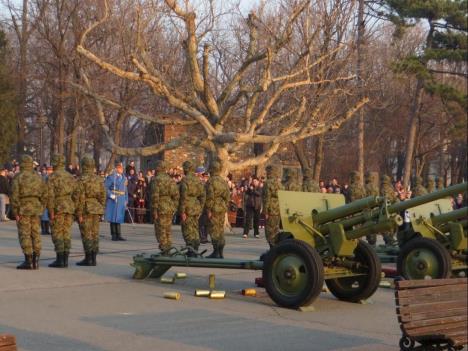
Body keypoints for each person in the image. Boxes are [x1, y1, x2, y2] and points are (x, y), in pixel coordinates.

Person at [10, 155, 48, 269]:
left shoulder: (18, 177)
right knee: (36, 233)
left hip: (23, 208)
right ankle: (36, 260)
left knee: (25, 234)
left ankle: (28, 260)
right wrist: (42, 207)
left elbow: (15, 196)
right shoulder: (38, 177)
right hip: (36, 208)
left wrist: (15, 211)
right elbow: (45, 195)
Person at [46, 154, 78, 268]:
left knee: (57, 233)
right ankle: (65, 259)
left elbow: (49, 196)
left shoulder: (52, 177)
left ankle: (60, 260)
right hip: (69, 207)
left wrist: (50, 211)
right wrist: (74, 207)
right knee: (66, 233)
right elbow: (76, 194)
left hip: (58, 207)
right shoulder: (70, 176)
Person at [75, 156, 106, 266]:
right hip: (96, 208)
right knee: (95, 234)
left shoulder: (81, 179)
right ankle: (94, 258)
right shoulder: (98, 179)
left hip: (85, 208)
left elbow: (80, 197)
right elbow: (103, 195)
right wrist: (101, 208)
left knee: (86, 234)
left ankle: (88, 258)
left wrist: (78, 213)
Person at [150, 160, 179, 253]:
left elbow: (155, 196)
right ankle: (168, 246)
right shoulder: (171, 180)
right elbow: (176, 195)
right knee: (168, 229)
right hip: (169, 208)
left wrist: (154, 210)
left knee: (160, 229)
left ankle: (164, 249)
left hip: (160, 207)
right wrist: (173, 207)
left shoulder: (156, 180)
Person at [179, 161, 206, 253]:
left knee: (187, 230)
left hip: (187, 209)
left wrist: (182, 211)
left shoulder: (185, 180)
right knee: (195, 229)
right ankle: (195, 248)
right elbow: (203, 196)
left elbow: (183, 197)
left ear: (186, 169)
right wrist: (201, 209)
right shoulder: (198, 180)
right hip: (196, 208)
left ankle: (191, 249)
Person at [205, 162, 230, 258]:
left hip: (214, 208)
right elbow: (227, 196)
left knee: (214, 230)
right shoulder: (223, 181)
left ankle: (216, 252)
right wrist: (225, 206)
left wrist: (208, 210)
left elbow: (210, 196)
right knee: (220, 230)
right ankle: (220, 252)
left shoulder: (211, 181)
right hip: (222, 208)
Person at [104, 161, 128, 241]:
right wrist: (111, 195)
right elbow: (105, 188)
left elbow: (126, 190)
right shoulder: (111, 177)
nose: (122, 169)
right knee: (113, 216)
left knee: (119, 217)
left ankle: (119, 234)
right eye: (120, 168)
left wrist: (126, 199)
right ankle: (113, 235)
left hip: (121, 199)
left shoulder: (124, 178)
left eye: (122, 168)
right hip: (114, 198)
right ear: (117, 168)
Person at [262, 164, 283, 247]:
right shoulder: (279, 184)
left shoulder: (268, 183)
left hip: (270, 211)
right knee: (276, 230)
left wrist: (265, 211)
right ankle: (275, 247)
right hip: (277, 210)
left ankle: (272, 248)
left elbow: (266, 198)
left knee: (269, 231)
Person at [380, 174, 397, 245]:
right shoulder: (391, 188)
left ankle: (389, 242)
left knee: (385, 228)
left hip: (384, 211)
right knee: (391, 228)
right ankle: (390, 241)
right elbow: (395, 199)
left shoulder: (382, 188)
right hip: (392, 210)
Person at [364, 171, 379, 246]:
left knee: (368, 225)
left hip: (367, 208)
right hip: (374, 208)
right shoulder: (376, 187)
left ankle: (370, 241)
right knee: (374, 224)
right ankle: (373, 242)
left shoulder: (365, 187)